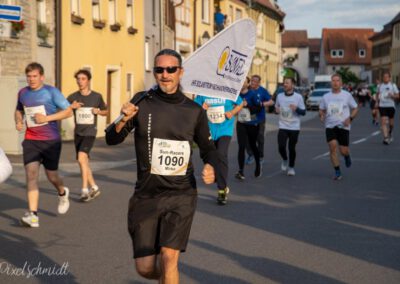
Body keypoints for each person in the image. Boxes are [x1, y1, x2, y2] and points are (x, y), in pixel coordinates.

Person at [105, 49, 225, 283]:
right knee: (146, 268)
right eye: (159, 69)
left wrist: (210, 165)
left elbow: (209, 148)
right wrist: (122, 119)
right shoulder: (141, 101)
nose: (165, 74)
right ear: (155, 72)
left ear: (180, 72)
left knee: (169, 258)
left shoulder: (194, 111)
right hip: (146, 195)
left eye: (171, 69)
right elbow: (112, 138)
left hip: (181, 194)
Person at [15, 62, 72, 228]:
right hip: (31, 140)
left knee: (51, 176)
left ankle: (62, 192)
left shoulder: (51, 92)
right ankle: (33, 215)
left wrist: (46, 118)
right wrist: (19, 120)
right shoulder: (23, 93)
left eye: (34, 76)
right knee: (31, 175)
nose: (31, 80)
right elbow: (19, 109)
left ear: (41, 76)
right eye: (29, 76)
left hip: (50, 141)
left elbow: (68, 111)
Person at [194, 93, 243, 205]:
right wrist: (202, 108)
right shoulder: (203, 92)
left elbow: (240, 104)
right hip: (209, 130)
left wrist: (232, 112)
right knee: (211, 157)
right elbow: (195, 109)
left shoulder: (229, 91)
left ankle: (222, 190)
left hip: (225, 130)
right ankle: (219, 176)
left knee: (221, 154)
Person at [67, 69, 108, 202]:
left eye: (83, 79)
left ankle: (84, 190)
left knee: (81, 158)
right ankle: (94, 187)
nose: (80, 81)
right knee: (83, 162)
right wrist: (71, 107)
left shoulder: (96, 96)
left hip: (90, 132)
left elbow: (106, 111)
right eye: (78, 79)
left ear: (88, 81)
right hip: (78, 133)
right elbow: (62, 110)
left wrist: (98, 111)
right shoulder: (73, 97)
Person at [319, 73, 358, 180]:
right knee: (332, 147)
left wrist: (350, 119)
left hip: (343, 126)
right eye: (333, 81)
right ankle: (337, 171)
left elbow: (355, 108)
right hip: (330, 126)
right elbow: (321, 109)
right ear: (330, 83)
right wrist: (321, 115)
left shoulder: (347, 95)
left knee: (343, 150)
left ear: (341, 83)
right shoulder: (326, 97)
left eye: (337, 81)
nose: (335, 83)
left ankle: (347, 155)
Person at [275, 77, 306, 176]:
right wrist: (277, 110)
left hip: (294, 127)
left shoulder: (298, 97)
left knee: (291, 148)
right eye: (284, 83)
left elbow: (304, 112)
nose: (285, 85)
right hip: (283, 126)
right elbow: (276, 107)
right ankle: (284, 159)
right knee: (281, 147)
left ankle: (291, 167)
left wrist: (296, 109)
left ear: (292, 85)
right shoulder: (279, 96)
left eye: (287, 83)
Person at [235, 77, 263, 180]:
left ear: (247, 84)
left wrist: (247, 106)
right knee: (241, 146)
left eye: (243, 82)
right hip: (241, 123)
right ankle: (241, 171)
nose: (241, 83)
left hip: (252, 123)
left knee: (252, 145)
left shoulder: (252, 94)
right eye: (240, 81)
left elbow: (259, 108)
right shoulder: (236, 95)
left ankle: (258, 165)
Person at [245, 75, 273, 165]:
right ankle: (250, 154)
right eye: (252, 81)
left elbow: (271, 102)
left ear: (258, 82)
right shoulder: (246, 89)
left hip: (259, 118)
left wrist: (262, 104)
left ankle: (260, 156)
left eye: (255, 81)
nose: (253, 83)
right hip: (247, 118)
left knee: (259, 137)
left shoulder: (262, 91)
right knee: (246, 138)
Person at [376, 71, 399, 145]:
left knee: (391, 124)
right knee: (383, 121)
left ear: (389, 78)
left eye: (387, 77)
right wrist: (377, 102)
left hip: (391, 106)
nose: (385, 78)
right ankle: (386, 138)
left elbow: (398, 96)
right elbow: (377, 94)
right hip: (382, 106)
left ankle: (390, 132)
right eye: (384, 77)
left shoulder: (393, 85)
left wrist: (392, 96)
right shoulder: (379, 86)